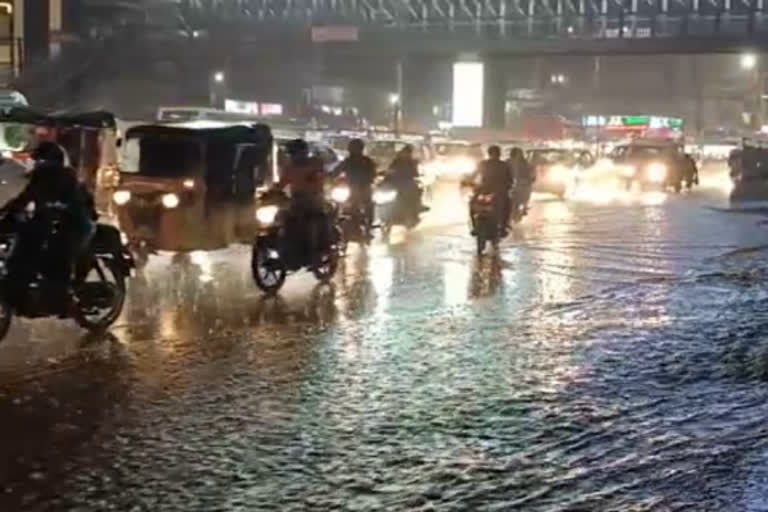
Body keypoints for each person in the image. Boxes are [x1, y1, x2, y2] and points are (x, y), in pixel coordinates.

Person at [1, 142, 95, 308]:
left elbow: (74, 205)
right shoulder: (38, 179)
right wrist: (5, 215)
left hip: (76, 223)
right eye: (39, 161)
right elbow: (22, 200)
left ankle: (63, 296)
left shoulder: (68, 179)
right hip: (49, 221)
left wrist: (57, 210)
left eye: (44, 161)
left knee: (58, 254)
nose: (41, 165)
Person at [278, 139, 330, 264]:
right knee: (280, 220)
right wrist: (271, 193)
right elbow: (281, 184)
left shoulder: (315, 163)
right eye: (291, 153)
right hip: (296, 202)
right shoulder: (289, 168)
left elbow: (321, 177)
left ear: (304, 152)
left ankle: (315, 252)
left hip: (314, 200)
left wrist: (315, 179)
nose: (293, 156)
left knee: (312, 223)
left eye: (295, 153)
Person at [464, 145, 513, 234]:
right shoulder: (502, 165)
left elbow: (473, 175)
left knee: (507, 205)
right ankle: (503, 226)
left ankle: (502, 226)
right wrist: (468, 182)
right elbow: (510, 180)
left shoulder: (485, 164)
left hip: (489, 190)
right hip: (490, 191)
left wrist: (468, 182)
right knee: (473, 203)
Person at [334, 138, 376, 231]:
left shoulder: (367, 161)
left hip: (364, 189)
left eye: (356, 148)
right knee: (337, 204)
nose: (354, 151)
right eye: (353, 148)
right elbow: (335, 172)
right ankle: (335, 223)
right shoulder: (347, 161)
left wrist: (369, 180)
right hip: (349, 190)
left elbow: (373, 174)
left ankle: (369, 226)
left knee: (369, 205)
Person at [386, 145, 422, 223]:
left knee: (416, 192)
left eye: (408, 153)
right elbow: (389, 170)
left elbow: (415, 173)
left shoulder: (412, 162)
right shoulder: (396, 161)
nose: (405, 154)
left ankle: (415, 210)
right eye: (405, 152)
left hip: (407, 184)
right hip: (394, 183)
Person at [508, 147, 534, 217]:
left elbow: (530, 173)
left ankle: (524, 208)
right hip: (511, 184)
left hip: (522, 184)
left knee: (526, 194)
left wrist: (530, 179)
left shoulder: (525, 163)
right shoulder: (508, 162)